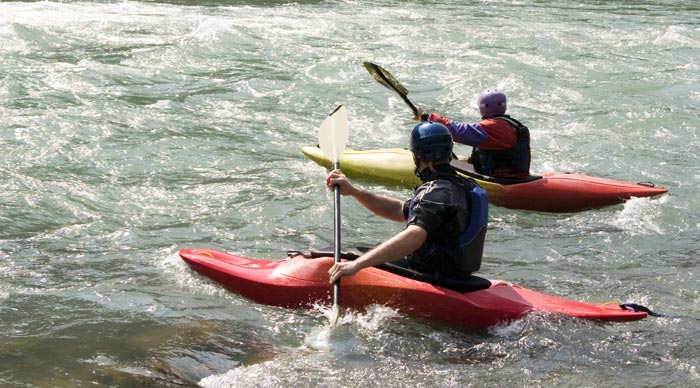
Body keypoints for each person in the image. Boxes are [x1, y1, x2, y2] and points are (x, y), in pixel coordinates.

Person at [327, 121, 488, 285]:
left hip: (433, 276)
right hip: (454, 274)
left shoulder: (435, 192)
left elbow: (415, 236)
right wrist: (355, 191)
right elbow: (399, 210)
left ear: (416, 156)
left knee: (341, 255)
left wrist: (357, 264)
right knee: (356, 252)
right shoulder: (458, 185)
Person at [414, 90, 532, 179]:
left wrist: (426, 118)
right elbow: (502, 154)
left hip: (503, 180)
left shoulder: (491, 127)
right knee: (460, 159)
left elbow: (455, 131)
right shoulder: (513, 125)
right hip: (515, 175)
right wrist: (470, 161)